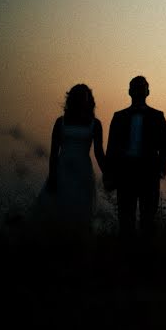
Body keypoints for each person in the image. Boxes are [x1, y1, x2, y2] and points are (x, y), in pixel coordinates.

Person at [105, 76, 166, 241]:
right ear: (129, 91)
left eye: (142, 87)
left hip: (148, 174)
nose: (139, 90)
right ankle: (127, 258)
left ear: (148, 91)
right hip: (125, 173)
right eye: (136, 87)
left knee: (148, 220)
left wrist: (161, 169)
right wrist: (110, 175)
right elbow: (111, 149)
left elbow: (165, 146)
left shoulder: (157, 116)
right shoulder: (119, 117)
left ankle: (145, 258)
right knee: (125, 220)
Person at [36, 83, 106, 235]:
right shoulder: (60, 122)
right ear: (71, 99)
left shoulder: (95, 124)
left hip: (83, 173)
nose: (81, 100)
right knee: (58, 211)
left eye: (84, 97)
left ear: (89, 100)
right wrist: (52, 175)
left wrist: (109, 174)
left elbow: (99, 153)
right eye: (77, 97)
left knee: (79, 211)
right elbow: (54, 152)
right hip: (62, 171)